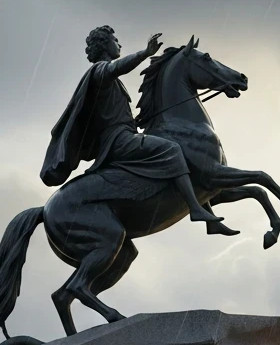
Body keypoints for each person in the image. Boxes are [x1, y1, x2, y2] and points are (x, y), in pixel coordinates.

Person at [40, 25, 237, 236]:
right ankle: (196, 209)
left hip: (125, 135)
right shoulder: (99, 71)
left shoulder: (111, 81)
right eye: (115, 40)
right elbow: (117, 68)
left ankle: (207, 214)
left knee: (182, 156)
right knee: (171, 150)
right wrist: (145, 53)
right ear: (104, 45)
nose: (119, 44)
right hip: (118, 141)